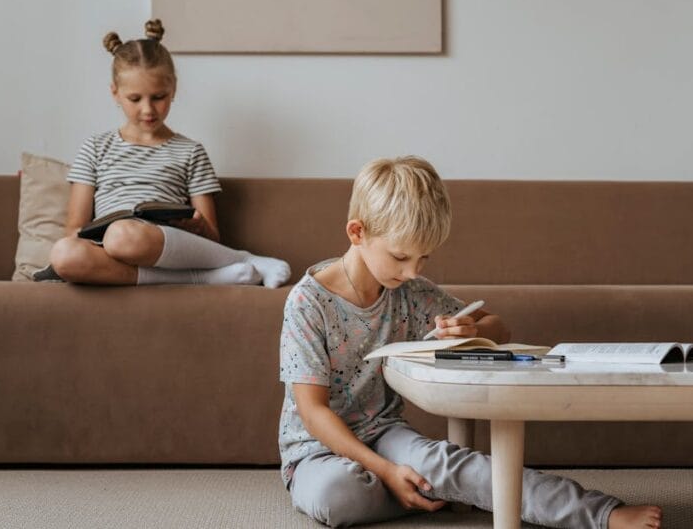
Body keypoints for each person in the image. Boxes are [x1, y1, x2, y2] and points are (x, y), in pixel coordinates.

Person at [277, 156, 662, 528]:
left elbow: (498, 326)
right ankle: (440, 489)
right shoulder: (308, 303)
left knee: (456, 467)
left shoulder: (409, 291)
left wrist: (473, 332)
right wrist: (387, 472)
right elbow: (314, 413)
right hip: (314, 453)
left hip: (385, 434)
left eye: (424, 258)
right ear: (357, 233)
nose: (412, 271)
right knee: (337, 497)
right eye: (400, 256)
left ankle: (598, 513)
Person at [42, 19, 290, 288]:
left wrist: (195, 225)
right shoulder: (95, 148)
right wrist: (91, 237)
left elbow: (212, 234)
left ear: (173, 89)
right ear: (115, 93)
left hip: (164, 243)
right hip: (109, 248)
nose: (148, 110)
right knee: (63, 254)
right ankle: (205, 278)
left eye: (158, 97)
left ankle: (244, 258)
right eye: (135, 99)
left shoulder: (190, 151)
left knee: (123, 235)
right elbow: (73, 228)